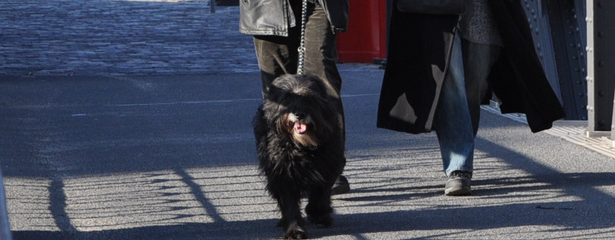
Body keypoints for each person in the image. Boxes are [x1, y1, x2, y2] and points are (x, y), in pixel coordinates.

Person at [378, 0, 564, 195]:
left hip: (482, 11)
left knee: (473, 88)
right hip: (437, 13)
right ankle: (459, 167)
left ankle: (460, 146)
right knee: (451, 81)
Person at [242, 0, 352, 194]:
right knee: (278, 89)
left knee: (322, 84)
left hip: (319, 4)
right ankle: (284, 167)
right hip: (269, 6)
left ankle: (328, 168)